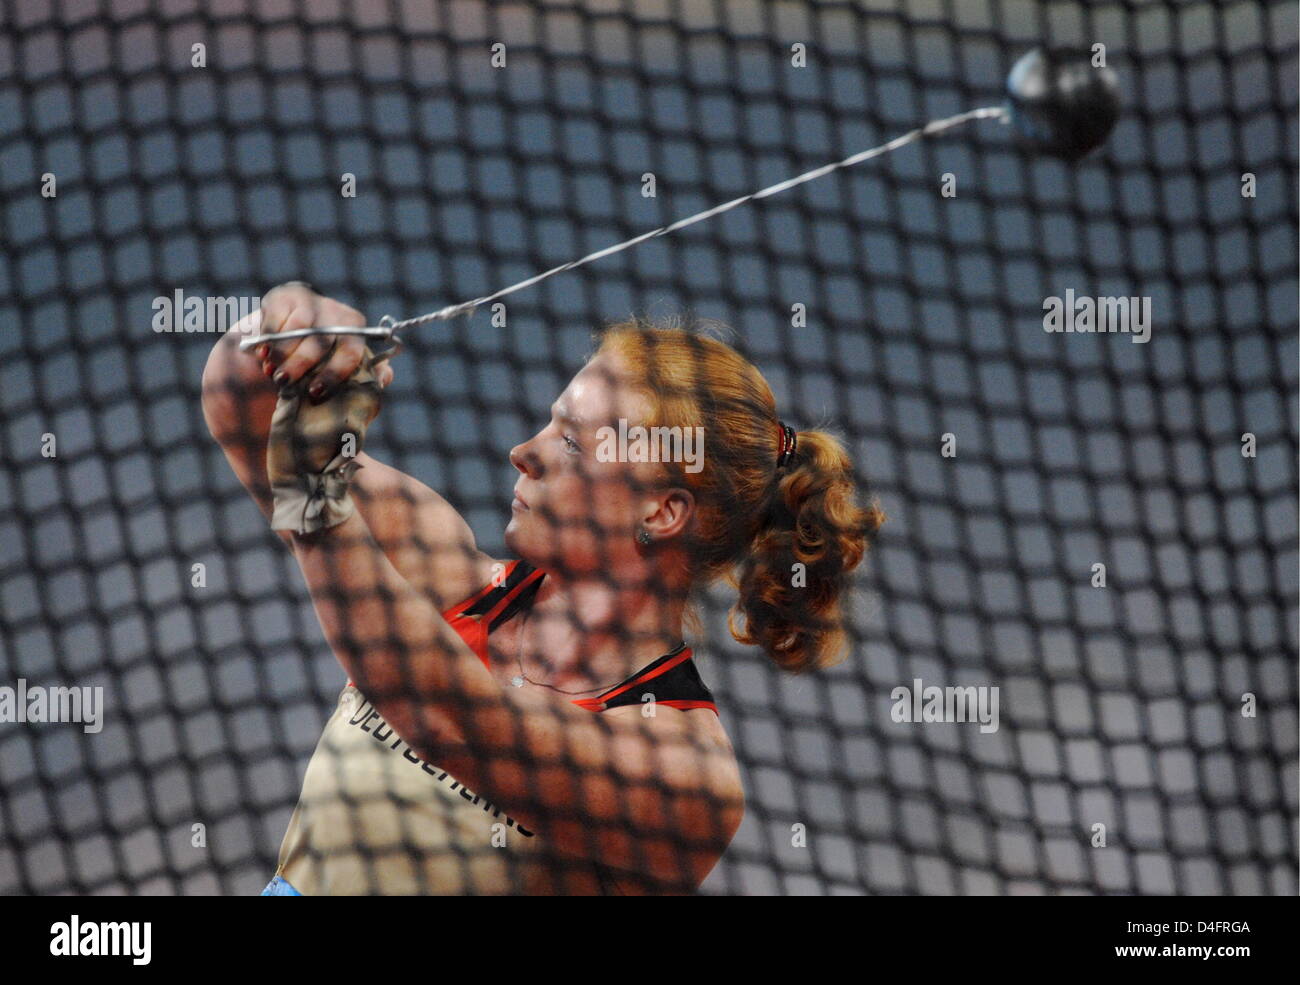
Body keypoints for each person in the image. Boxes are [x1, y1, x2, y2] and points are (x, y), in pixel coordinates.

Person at [202, 282, 883, 894]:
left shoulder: (686, 771)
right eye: (551, 422)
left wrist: (318, 507)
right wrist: (295, 333)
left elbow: (450, 718)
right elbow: (241, 408)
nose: (524, 451)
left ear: (663, 512)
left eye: (575, 444)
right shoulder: (442, 563)